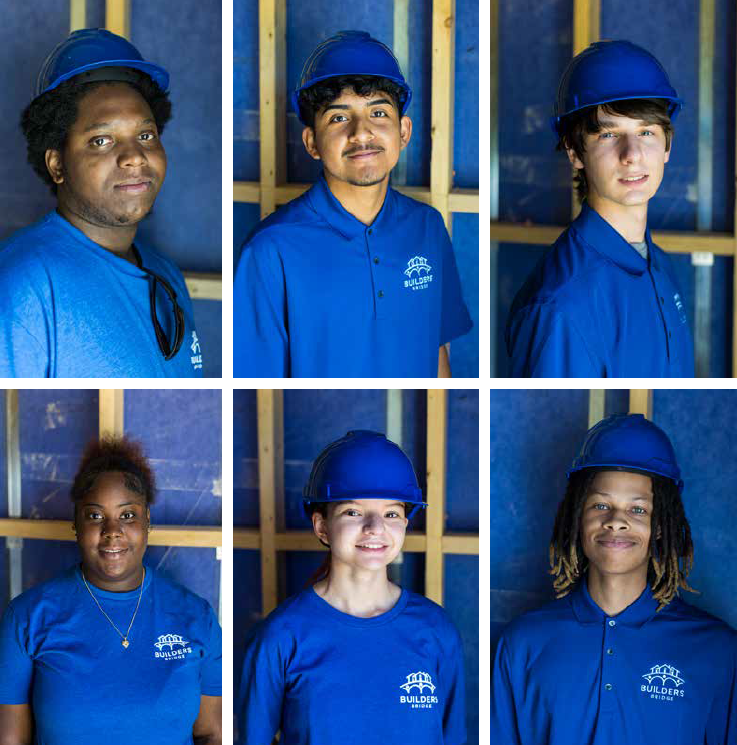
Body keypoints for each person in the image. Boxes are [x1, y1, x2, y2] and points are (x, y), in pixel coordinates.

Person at [233, 31, 472, 378]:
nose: (361, 133)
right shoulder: (270, 249)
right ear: (312, 142)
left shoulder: (429, 227)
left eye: (378, 112)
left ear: (403, 132)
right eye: (339, 117)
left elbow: (436, 354)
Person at [492, 414, 737, 744]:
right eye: (600, 505)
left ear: (661, 525)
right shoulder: (523, 643)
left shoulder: (719, 650)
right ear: (578, 516)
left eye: (638, 510)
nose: (616, 521)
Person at [0, 29, 203, 378]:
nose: (134, 157)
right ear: (57, 165)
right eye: (101, 140)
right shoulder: (20, 287)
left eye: (145, 135)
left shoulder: (166, 273)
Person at [0, 436, 222, 744]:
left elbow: (211, 733)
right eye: (95, 515)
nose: (112, 532)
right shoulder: (27, 618)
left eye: (127, 515)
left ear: (147, 519)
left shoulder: (195, 615)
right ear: (76, 523)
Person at [239, 430, 466, 744]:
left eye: (391, 513)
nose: (375, 528)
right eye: (353, 512)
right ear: (322, 527)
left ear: (405, 524)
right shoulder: (281, 636)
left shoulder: (436, 629)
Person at [506, 40, 693, 377]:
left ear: (667, 145)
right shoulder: (561, 307)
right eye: (609, 135)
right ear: (575, 152)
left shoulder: (657, 262)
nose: (632, 154)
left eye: (646, 131)